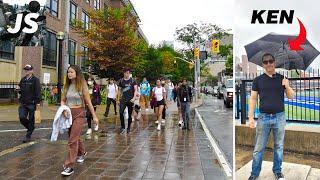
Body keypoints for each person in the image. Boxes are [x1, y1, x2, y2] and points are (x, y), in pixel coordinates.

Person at [248, 53, 294, 180]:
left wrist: (287, 86)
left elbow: (291, 96)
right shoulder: (258, 80)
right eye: (266, 62)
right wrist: (251, 118)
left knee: (279, 146)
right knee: (258, 148)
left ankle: (277, 171)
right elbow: (252, 99)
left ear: (274, 62)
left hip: (279, 117)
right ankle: (254, 173)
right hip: (263, 118)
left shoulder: (282, 79)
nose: (269, 64)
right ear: (263, 64)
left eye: (271, 61)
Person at [60, 65, 99, 176]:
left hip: (79, 114)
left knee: (72, 140)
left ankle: (69, 166)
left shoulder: (82, 85)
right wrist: (64, 110)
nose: (69, 74)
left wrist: (94, 116)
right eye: (68, 72)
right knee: (74, 137)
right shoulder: (66, 86)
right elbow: (63, 101)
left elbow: (88, 102)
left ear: (77, 73)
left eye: (71, 72)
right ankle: (82, 152)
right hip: (68, 114)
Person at [17, 64, 41, 143]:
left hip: (32, 103)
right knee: (22, 117)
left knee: (31, 119)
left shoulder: (35, 80)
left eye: (28, 69)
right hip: (23, 103)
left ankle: (28, 136)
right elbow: (21, 89)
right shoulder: (23, 79)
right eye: (26, 69)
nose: (27, 71)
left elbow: (38, 92)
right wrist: (18, 90)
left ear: (32, 70)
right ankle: (31, 128)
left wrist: (37, 103)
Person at [117, 68, 138, 134]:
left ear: (129, 73)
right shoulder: (121, 81)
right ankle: (122, 126)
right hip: (123, 99)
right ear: (124, 73)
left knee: (129, 114)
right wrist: (118, 99)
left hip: (130, 100)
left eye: (128, 73)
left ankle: (128, 127)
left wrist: (134, 98)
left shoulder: (133, 80)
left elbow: (135, 90)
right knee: (121, 112)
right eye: (126, 73)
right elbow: (119, 90)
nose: (127, 74)